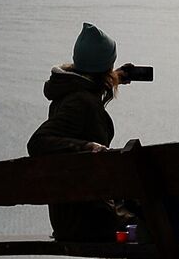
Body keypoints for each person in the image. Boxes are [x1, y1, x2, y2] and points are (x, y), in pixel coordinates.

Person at [29, 22, 136, 241]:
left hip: (70, 217)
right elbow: (38, 142)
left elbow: (87, 94)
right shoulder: (80, 102)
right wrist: (87, 147)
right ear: (104, 66)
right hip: (91, 220)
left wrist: (115, 77)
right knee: (167, 216)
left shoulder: (71, 90)